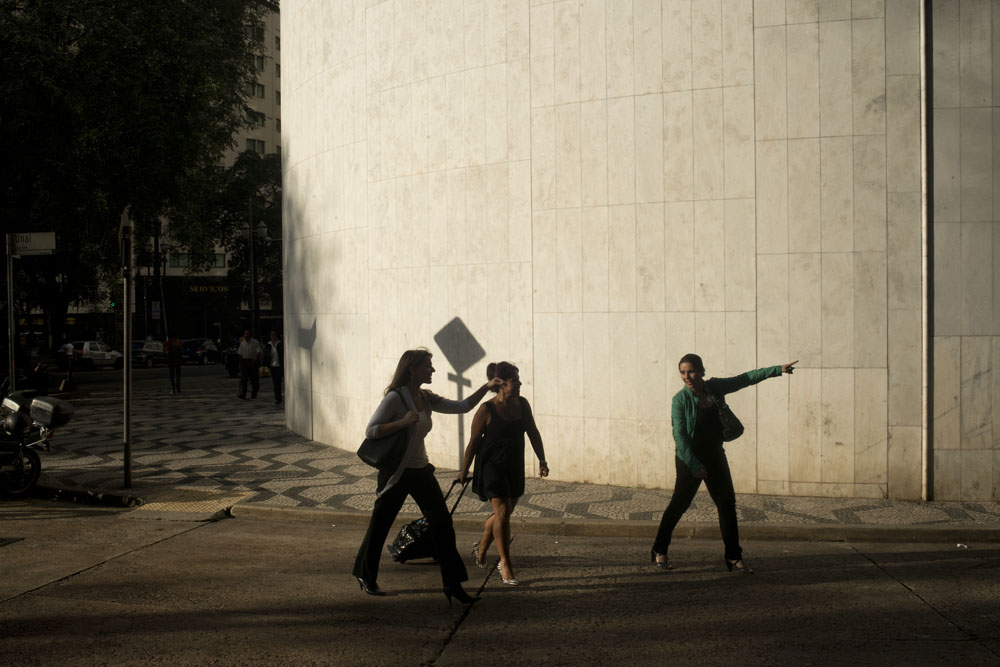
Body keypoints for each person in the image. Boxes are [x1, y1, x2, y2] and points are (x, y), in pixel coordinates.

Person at [352, 348, 502, 605]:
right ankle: (366, 575)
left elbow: (462, 406)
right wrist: (401, 422)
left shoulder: (425, 397)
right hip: (396, 473)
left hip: (421, 471)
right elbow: (371, 430)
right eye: (428, 366)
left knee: (442, 525)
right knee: (380, 525)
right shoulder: (395, 399)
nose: (432, 370)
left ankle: (452, 584)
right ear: (413, 369)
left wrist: (485, 387)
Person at [651, 354, 797, 574]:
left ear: (702, 370)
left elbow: (744, 379)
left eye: (691, 371)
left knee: (727, 505)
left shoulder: (715, 388)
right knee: (678, 506)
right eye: (682, 372)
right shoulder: (679, 400)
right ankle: (659, 550)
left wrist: (778, 370)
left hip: (715, 456)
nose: (687, 376)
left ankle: (733, 557)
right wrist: (693, 465)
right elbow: (680, 438)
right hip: (689, 459)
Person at [458, 362, 548, 586]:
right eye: (514, 380)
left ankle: (481, 548)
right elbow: (473, 443)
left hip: (513, 465)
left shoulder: (523, 404)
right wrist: (464, 469)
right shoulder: (486, 410)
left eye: (518, 380)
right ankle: (505, 563)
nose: (519, 384)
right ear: (500, 384)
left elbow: (533, 432)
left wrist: (542, 459)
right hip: (491, 466)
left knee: (503, 515)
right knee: (504, 511)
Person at [236, 329, 262, 399]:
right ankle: (243, 394)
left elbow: (259, 352)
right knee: (244, 379)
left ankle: (254, 393)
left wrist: (256, 359)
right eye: (245, 334)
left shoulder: (255, 342)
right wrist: (240, 363)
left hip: (253, 362)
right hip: (245, 361)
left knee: (254, 380)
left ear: (250, 334)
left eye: (247, 334)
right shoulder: (242, 343)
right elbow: (240, 354)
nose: (246, 335)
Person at [264, 330, 283, 404]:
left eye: (274, 335)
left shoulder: (280, 344)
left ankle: (278, 398)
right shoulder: (268, 344)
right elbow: (266, 355)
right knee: (274, 382)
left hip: (279, 365)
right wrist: (265, 363)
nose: (273, 336)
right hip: (272, 365)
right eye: (271, 335)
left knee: (278, 382)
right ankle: (277, 397)